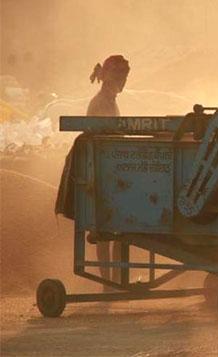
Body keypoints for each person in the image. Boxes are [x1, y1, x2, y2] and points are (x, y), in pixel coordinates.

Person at [87, 55, 130, 289]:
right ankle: (108, 281)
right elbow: (104, 138)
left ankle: (113, 280)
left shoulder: (110, 101)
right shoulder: (101, 103)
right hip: (101, 174)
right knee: (104, 232)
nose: (123, 82)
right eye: (121, 76)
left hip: (110, 173)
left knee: (117, 230)